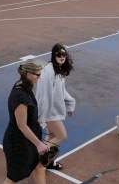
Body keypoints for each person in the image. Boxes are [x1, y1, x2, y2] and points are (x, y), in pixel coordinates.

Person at [2, 59, 50, 184]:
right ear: (28, 73)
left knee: (39, 166)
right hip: (18, 143)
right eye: (38, 75)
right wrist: (39, 144)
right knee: (13, 179)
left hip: (28, 140)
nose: (39, 78)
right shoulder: (19, 96)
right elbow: (22, 126)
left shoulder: (25, 86)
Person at [35, 43, 76, 171]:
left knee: (51, 136)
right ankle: (37, 160)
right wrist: (43, 117)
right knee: (62, 136)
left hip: (53, 111)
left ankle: (49, 162)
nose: (62, 57)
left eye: (64, 54)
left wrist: (70, 103)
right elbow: (44, 96)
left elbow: (61, 91)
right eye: (59, 54)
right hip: (49, 112)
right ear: (54, 55)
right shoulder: (48, 71)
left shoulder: (58, 69)